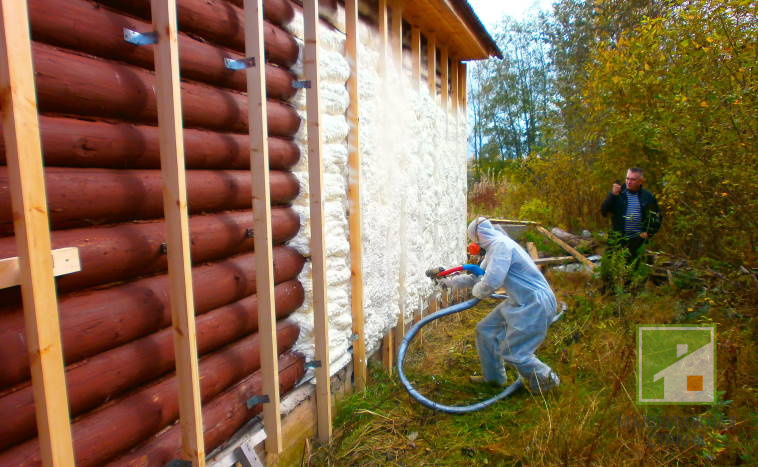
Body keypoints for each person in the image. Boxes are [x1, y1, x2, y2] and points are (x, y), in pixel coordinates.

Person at [439, 217, 560, 394]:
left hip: (534, 303)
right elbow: (477, 277)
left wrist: (477, 293)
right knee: (485, 330)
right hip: (519, 301)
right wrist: (448, 282)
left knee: (515, 353)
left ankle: (549, 384)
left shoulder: (501, 246)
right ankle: (493, 379)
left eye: (474, 240)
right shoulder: (494, 249)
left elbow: (491, 282)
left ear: (478, 236)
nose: (474, 244)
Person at [600, 168, 662, 265]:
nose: (629, 182)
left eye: (633, 179)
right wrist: (612, 195)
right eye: (627, 178)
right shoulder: (619, 193)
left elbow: (656, 217)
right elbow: (604, 212)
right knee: (608, 270)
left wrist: (648, 232)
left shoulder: (647, 196)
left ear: (640, 181)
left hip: (637, 241)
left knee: (632, 270)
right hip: (617, 239)